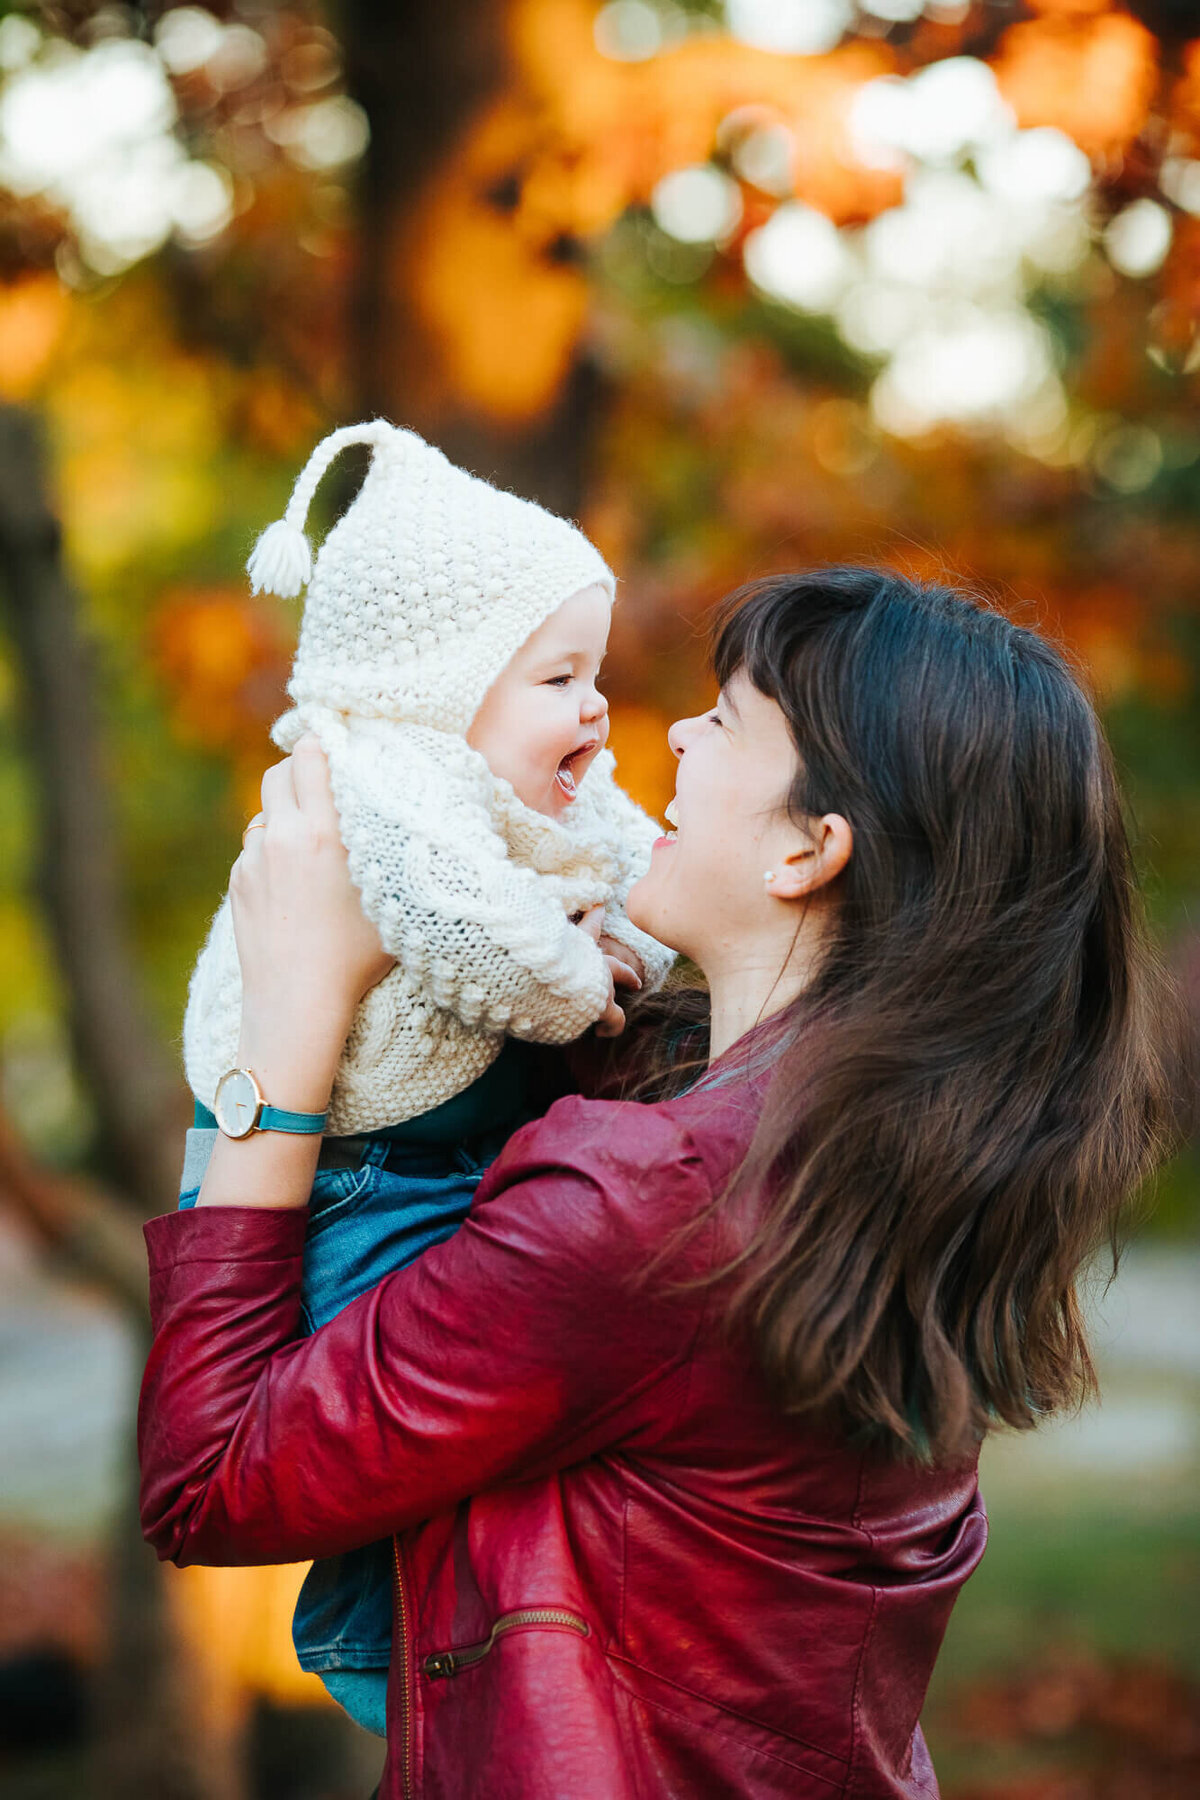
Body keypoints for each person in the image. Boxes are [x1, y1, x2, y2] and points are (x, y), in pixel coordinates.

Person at [139, 567, 1175, 1799]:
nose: (676, 733)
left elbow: (208, 1481)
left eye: (728, 722)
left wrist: (289, 1024)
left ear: (809, 850)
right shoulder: (880, 1152)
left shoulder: (659, 1201)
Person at [176, 419, 674, 1733]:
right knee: (368, 1424)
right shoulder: (383, 788)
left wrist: (639, 927)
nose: (597, 710)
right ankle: (364, 1635)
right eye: (560, 677)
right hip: (351, 1171)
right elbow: (474, 935)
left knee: (450, 1412)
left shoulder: (509, 787)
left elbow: (631, 854)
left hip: (424, 1149)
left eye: (595, 672)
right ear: (435, 683)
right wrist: (590, 979)